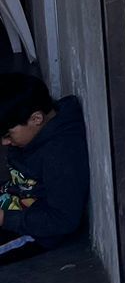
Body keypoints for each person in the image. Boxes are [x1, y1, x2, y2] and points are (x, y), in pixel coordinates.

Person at [1, 74, 90, 265]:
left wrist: (5, 218)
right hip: (14, 201)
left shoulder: (60, 154)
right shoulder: (35, 133)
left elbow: (63, 219)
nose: (5, 142)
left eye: (8, 134)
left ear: (36, 118)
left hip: (34, 230)